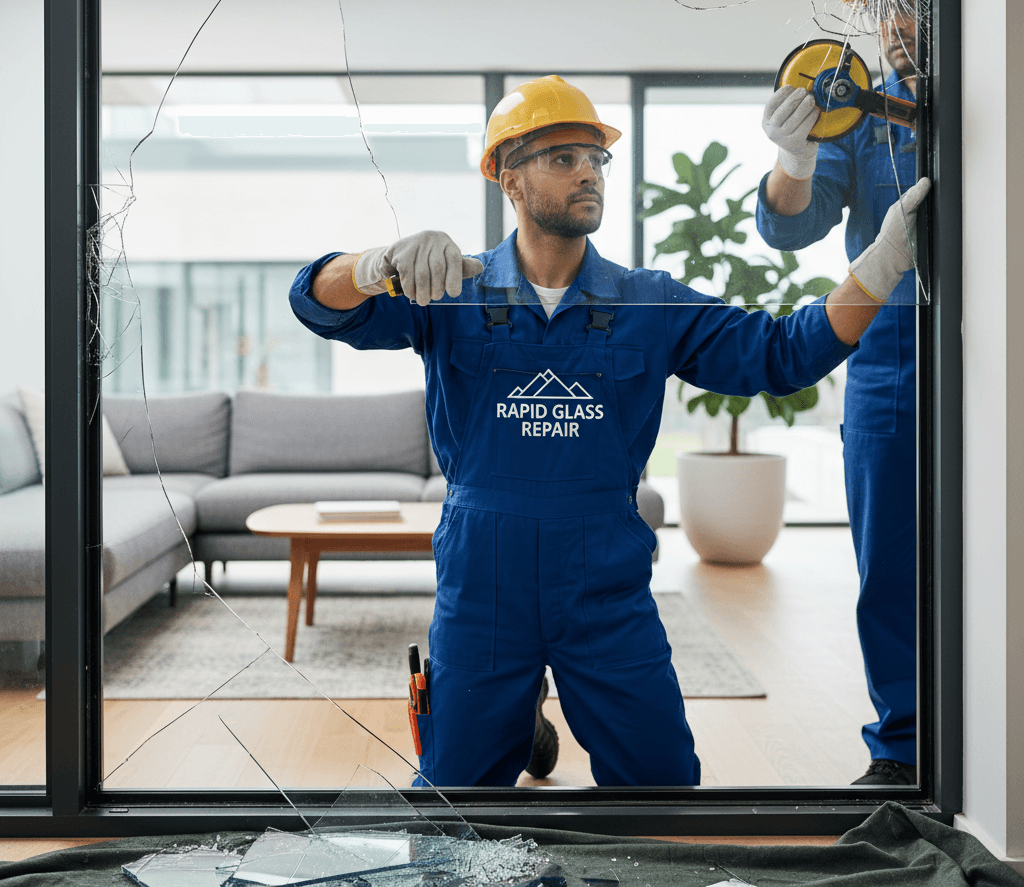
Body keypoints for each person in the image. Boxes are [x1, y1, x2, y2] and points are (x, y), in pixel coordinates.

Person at [290, 74, 928, 788]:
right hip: (484, 581)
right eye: (563, 158)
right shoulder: (451, 288)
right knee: (454, 803)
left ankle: (526, 704)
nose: (588, 172)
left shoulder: (647, 300)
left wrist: (884, 263)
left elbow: (784, 356)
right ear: (509, 177)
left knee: (663, 793)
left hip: (602, 577)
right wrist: (373, 267)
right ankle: (515, 709)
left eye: (596, 159)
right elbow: (315, 304)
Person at [757, 9, 921, 786]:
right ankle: (903, 749)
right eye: (884, 5)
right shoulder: (861, 113)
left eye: (913, 0)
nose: (895, 23)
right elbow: (794, 227)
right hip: (891, 360)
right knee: (890, 561)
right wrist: (796, 155)